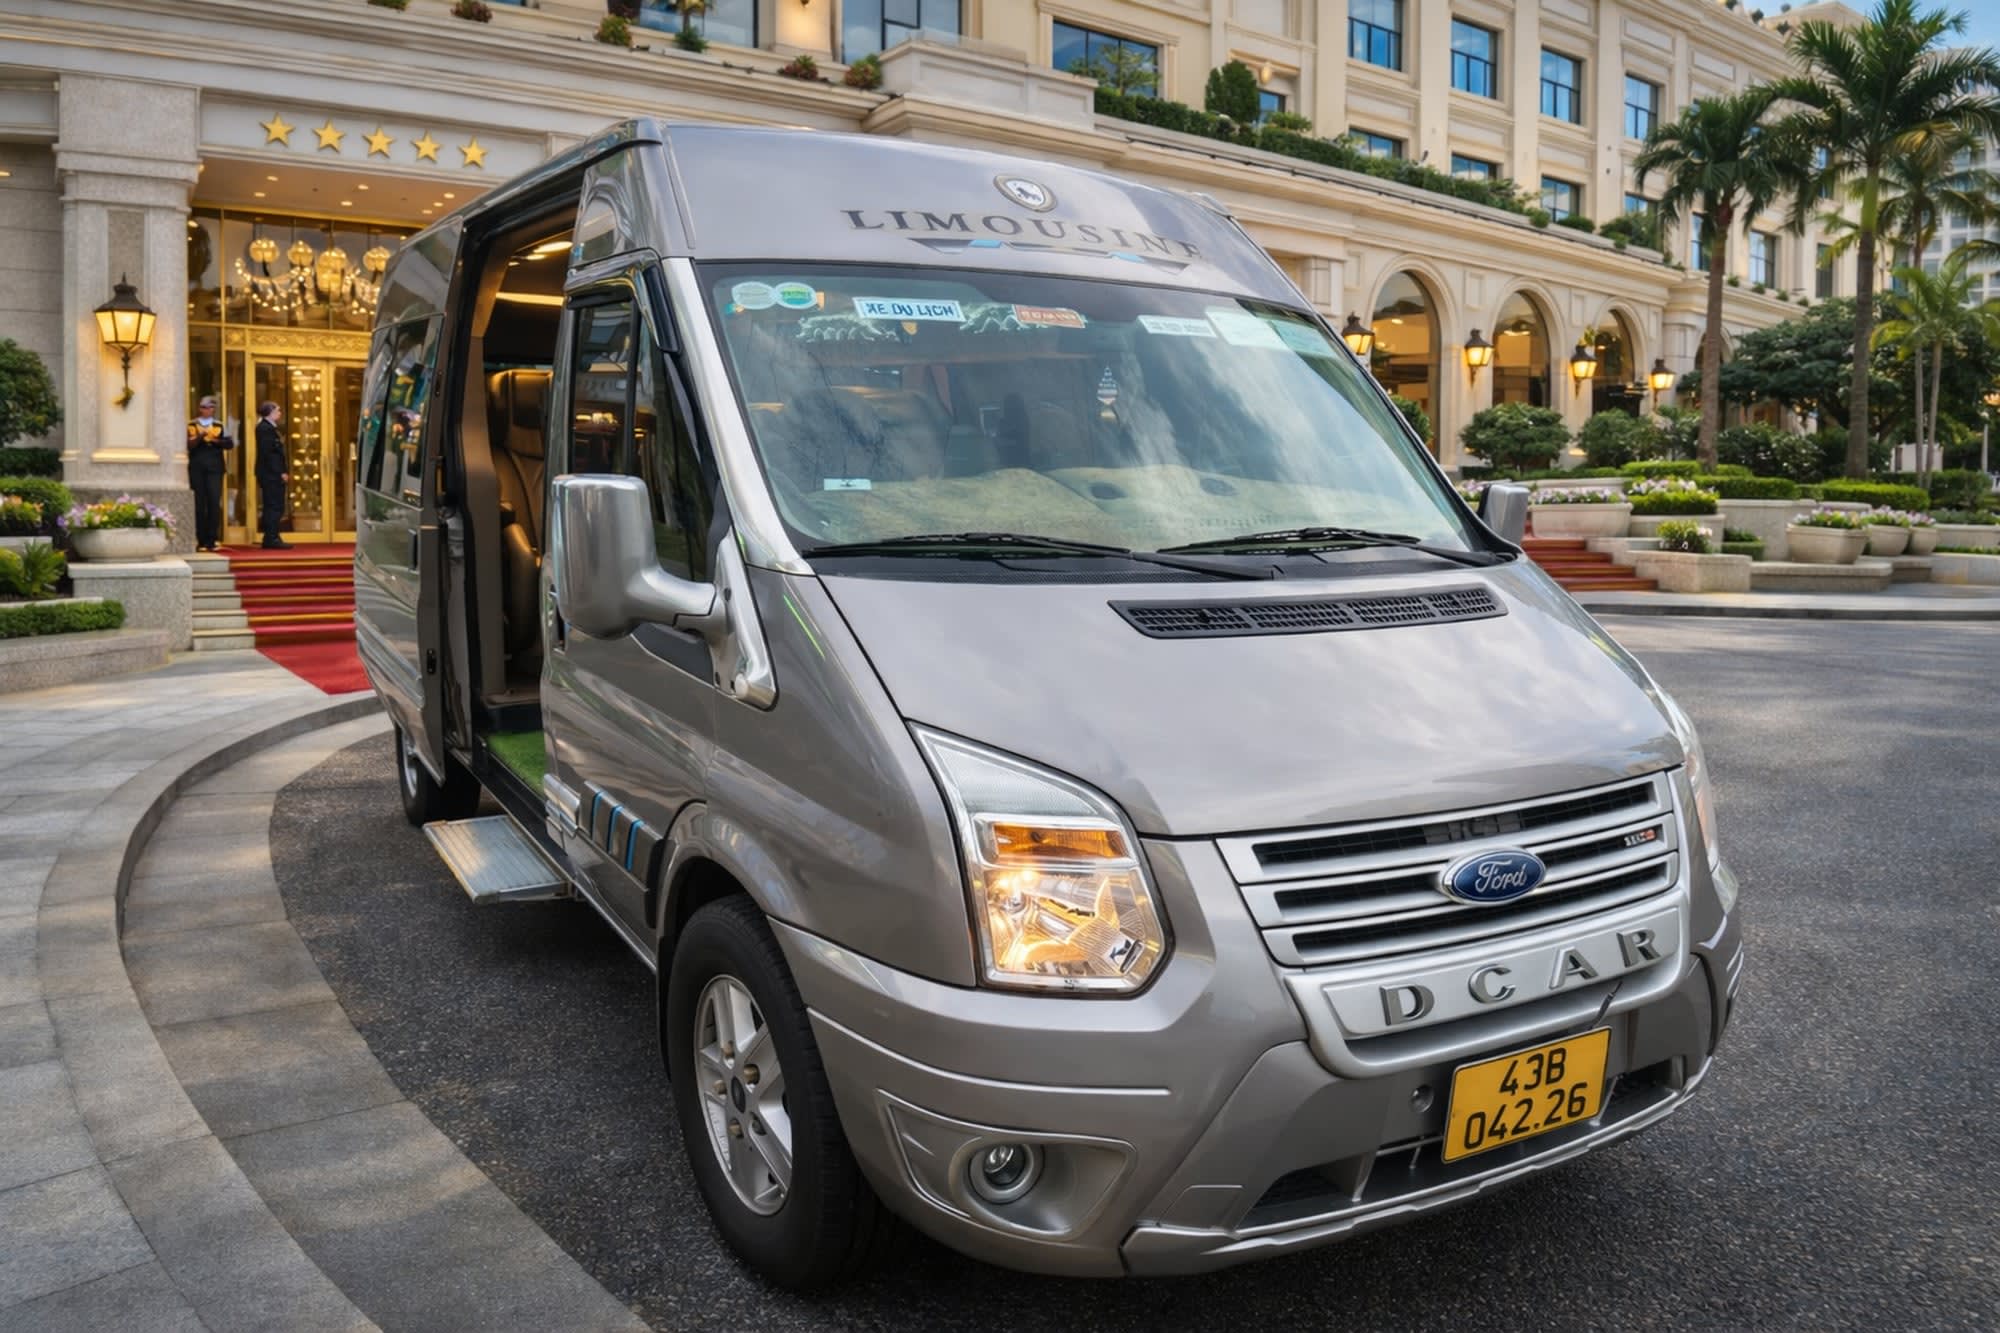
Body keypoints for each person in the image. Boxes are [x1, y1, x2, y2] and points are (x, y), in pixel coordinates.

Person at [186, 394, 234, 551]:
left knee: (214, 502)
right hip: (197, 467)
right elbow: (188, 445)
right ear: (199, 409)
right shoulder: (192, 424)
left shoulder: (219, 425)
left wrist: (215, 440)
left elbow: (229, 444)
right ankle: (200, 540)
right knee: (199, 504)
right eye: (204, 407)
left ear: (214, 409)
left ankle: (212, 539)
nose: (207, 410)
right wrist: (200, 436)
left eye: (210, 407)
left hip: (215, 468)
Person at [253, 401, 292, 549]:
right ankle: (271, 538)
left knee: (275, 506)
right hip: (270, 474)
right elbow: (270, 454)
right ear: (269, 412)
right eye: (277, 410)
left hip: (271, 473)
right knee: (274, 506)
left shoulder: (270, 428)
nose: (279, 413)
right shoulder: (265, 428)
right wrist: (280, 472)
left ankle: (272, 535)